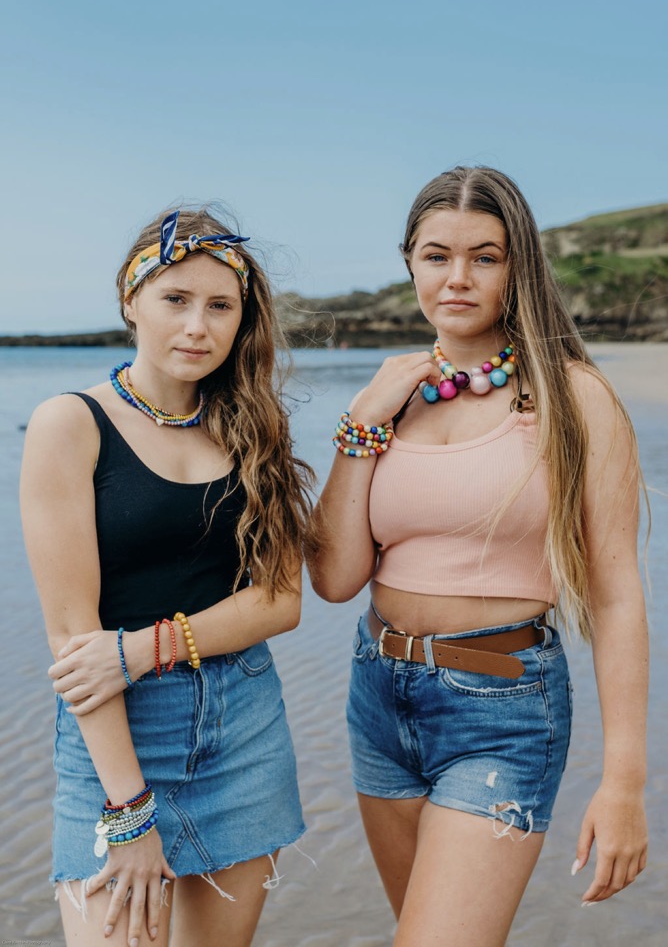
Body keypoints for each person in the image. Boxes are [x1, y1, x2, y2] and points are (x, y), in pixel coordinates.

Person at [308, 167, 648, 946]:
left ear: (516, 265)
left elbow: (619, 592)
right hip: (379, 695)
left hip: (500, 706)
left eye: (484, 257)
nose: (457, 277)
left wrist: (624, 780)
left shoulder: (574, 397)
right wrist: (361, 423)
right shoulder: (389, 399)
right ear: (409, 265)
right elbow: (333, 579)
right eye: (436, 256)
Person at [20, 206, 315, 947]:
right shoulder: (70, 424)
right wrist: (128, 813)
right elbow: (73, 640)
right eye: (175, 300)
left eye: (220, 306)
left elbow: (281, 602)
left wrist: (143, 647)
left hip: (243, 728)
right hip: (115, 739)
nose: (197, 327)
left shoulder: (254, 425)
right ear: (131, 301)